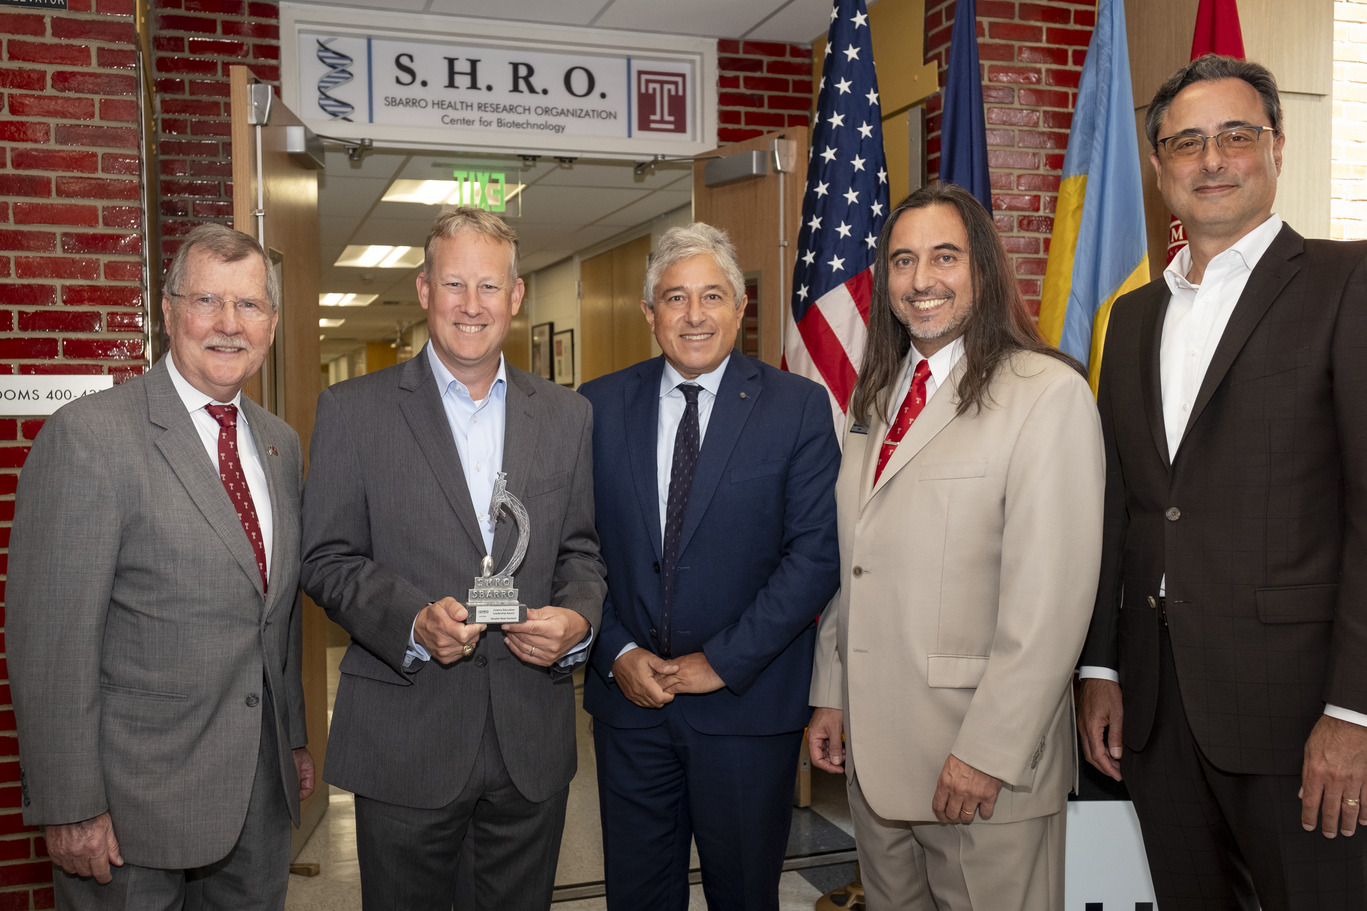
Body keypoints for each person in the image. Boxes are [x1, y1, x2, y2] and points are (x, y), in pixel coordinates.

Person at [1078, 54, 1367, 909]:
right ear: (1158, 168)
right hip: (1156, 711)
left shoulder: (1343, 283)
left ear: (1276, 147)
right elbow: (1122, 508)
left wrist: (1352, 714)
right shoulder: (1129, 318)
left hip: (1298, 713)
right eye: (1185, 142)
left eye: (1234, 136)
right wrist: (1100, 663)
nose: (1210, 159)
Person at [807, 182, 1104, 910]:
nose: (920, 280)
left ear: (983, 270)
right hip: (877, 762)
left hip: (978, 770)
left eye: (944, 256)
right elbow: (859, 563)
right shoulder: (878, 395)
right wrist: (830, 692)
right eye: (902, 261)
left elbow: (1050, 604)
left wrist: (987, 753)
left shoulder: (1045, 393)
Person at [300, 206, 606, 911]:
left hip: (530, 738)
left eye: (490, 287)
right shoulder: (353, 410)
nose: (472, 306)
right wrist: (410, 621)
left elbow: (581, 550)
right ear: (423, 290)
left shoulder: (566, 416)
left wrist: (576, 620)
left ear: (516, 296)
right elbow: (326, 557)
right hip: (406, 738)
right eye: (454, 284)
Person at [8, 223, 314, 909]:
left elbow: (276, 615)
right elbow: (50, 645)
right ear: (169, 311)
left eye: (250, 305)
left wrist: (290, 740)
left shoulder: (279, 445)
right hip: (129, 815)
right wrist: (70, 804)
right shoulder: (91, 437)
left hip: (256, 803)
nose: (229, 323)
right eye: (208, 300)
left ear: (270, 322)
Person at [578, 223, 840, 910]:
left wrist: (719, 661)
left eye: (712, 296)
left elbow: (814, 554)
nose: (694, 315)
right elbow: (573, 548)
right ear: (648, 313)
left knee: (745, 895)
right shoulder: (595, 406)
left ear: (741, 306)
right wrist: (615, 651)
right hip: (629, 708)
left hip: (746, 708)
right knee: (637, 895)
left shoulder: (798, 407)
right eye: (674, 298)